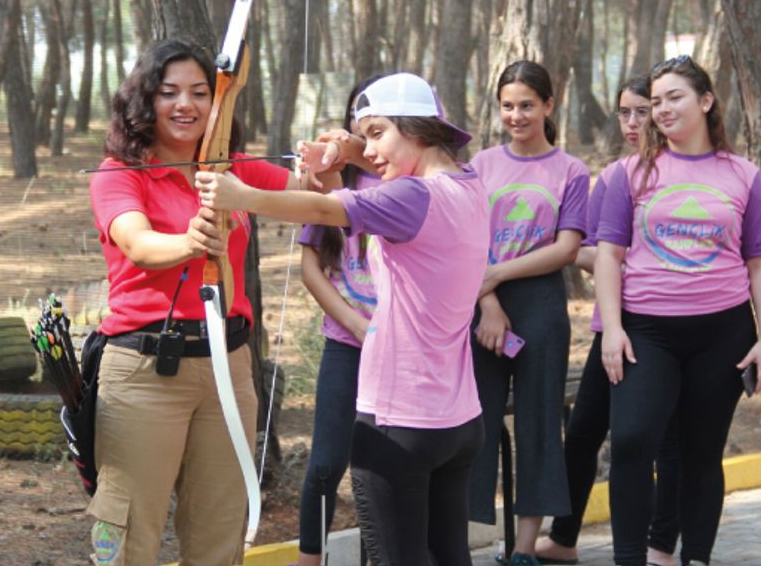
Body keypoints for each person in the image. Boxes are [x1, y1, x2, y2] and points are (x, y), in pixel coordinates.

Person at [196, 73, 489, 566]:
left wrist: (241, 195)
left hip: (398, 426)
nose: (369, 149)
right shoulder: (469, 181)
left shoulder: (410, 198)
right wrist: (353, 150)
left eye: (377, 133)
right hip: (457, 423)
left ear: (415, 127)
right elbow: (402, 165)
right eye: (364, 135)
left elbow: (320, 206)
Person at [87, 37, 292, 565]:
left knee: (219, 535)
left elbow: (311, 191)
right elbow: (137, 243)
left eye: (201, 93)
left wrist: (332, 159)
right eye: (169, 92)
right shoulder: (119, 173)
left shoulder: (231, 168)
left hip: (228, 367)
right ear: (145, 100)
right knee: (127, 535)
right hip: (145, 370)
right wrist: (190, 242)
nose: (186, 105)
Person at [596, 55, 761, 566]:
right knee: (632, 441)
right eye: (656, 101)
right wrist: (612, 328)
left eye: (674, 97)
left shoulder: (744, 175)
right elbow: (608, 255)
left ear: (706, 100)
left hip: (722, 334)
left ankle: (695, 556)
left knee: (702, 451)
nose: (662, 109)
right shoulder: (630, 173)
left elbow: (760, 262)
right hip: (646, 332)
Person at [534, 75, 684, 566]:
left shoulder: (681, 174)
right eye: (625, 113)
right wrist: (611, 260)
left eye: (643, 111)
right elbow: (587, 249)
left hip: (661, 330)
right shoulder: (615, 176)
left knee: (662, 442)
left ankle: (660, 545)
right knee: (582, 433)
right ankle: (564, 538)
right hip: (611, 328)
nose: (633, 122)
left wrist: (625, 260)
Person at [466, 60, 589, 565]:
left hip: (541, 303)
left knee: (539, 423)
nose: (516, 116)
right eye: (507, 106)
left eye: (527, 105)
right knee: (473, 421)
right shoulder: (480, 166)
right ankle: (458, 542)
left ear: (548, 106)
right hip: (480, 303)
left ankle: (522, 550)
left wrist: (498, 275)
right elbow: (466, 239)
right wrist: (488, 301)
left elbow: (566, 248)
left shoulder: (571, 171)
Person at [291, 81, 381, 566]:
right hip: (346, 344)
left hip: (401, 351)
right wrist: (354, 324)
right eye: (354, 120)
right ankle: (309, 559)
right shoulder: (331, 183)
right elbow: (312, 269)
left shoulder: (413, 184)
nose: (358, 133)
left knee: (382, 469)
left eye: (375, 124)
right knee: (327, 463)